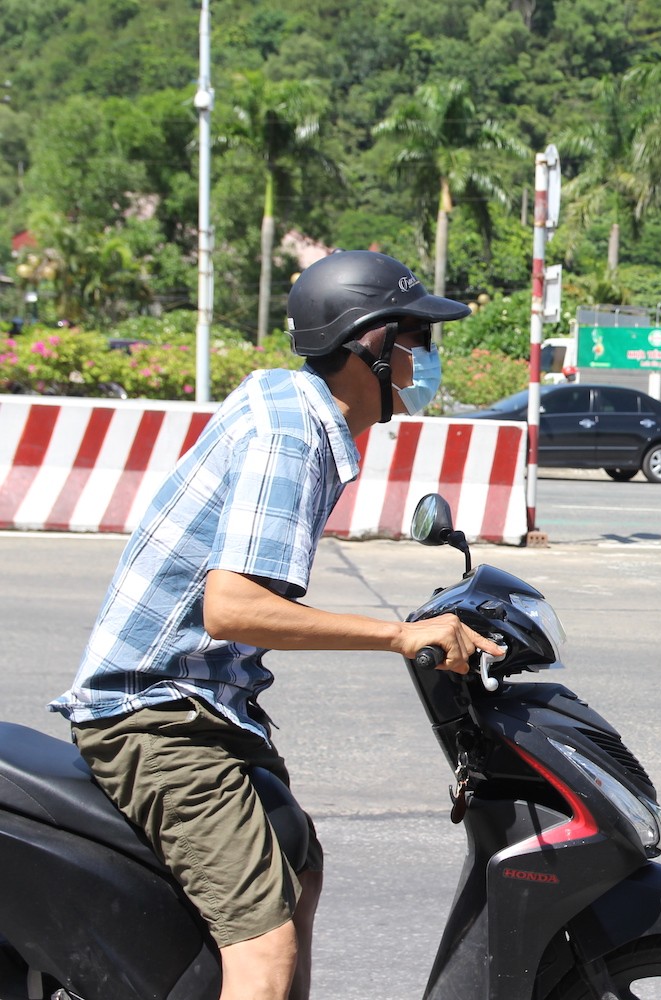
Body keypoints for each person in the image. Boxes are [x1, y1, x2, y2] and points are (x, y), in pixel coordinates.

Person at [50, 250, 506, 1000]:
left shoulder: (290, 402)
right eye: (416, 341)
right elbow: (231, 607)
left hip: (204, 705)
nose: (425, 360)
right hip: (156, 718)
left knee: (299, 865)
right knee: (265, 955)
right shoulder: (292, 437)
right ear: (372, 343)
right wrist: (397, 635)